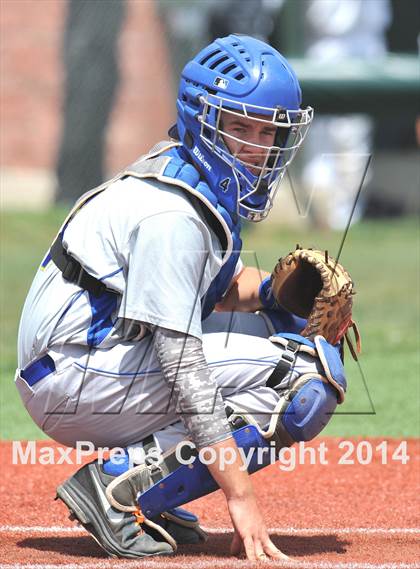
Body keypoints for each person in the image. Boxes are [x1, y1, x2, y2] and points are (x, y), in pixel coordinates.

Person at [16, 35, 344, 562]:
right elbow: (183, 366)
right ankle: (116, 487)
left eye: (268, 132)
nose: (255, 147)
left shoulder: (188, 173)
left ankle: (148, 487)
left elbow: (210, 289)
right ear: (202, 120)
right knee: (303, 378)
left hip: (90, 360)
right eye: (238, 127)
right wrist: (240, 495)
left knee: (275, 329)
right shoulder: (173, 215)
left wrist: (273, 293)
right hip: (80, 374)